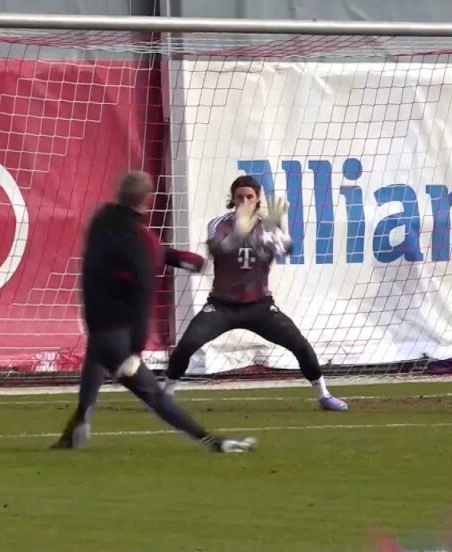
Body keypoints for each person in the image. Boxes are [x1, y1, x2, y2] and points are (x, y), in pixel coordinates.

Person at [52, 172, 256, 453]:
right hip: (118, 337)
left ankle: (76, 430)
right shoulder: (140, 240)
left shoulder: (101, 222)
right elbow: (142, 295)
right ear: (147, 201)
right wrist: (136, 350)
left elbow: (142, 250)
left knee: (94, 368)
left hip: (97, 325)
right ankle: (210, 441)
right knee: (153, 395)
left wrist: (179, 258)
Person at [163, 175, 349, 412]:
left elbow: (288, 249)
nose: (244, 201)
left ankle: (324, 395)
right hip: (222, 306)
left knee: (300, 345)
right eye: (239, 197)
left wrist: (275, 230)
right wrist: (240, 232)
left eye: (249, 196)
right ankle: (166, 394)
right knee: (187, 345)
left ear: (258, 199)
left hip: (259, 306)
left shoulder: (266, 226)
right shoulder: (219, 223)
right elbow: (218, 250)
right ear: (232, 199)